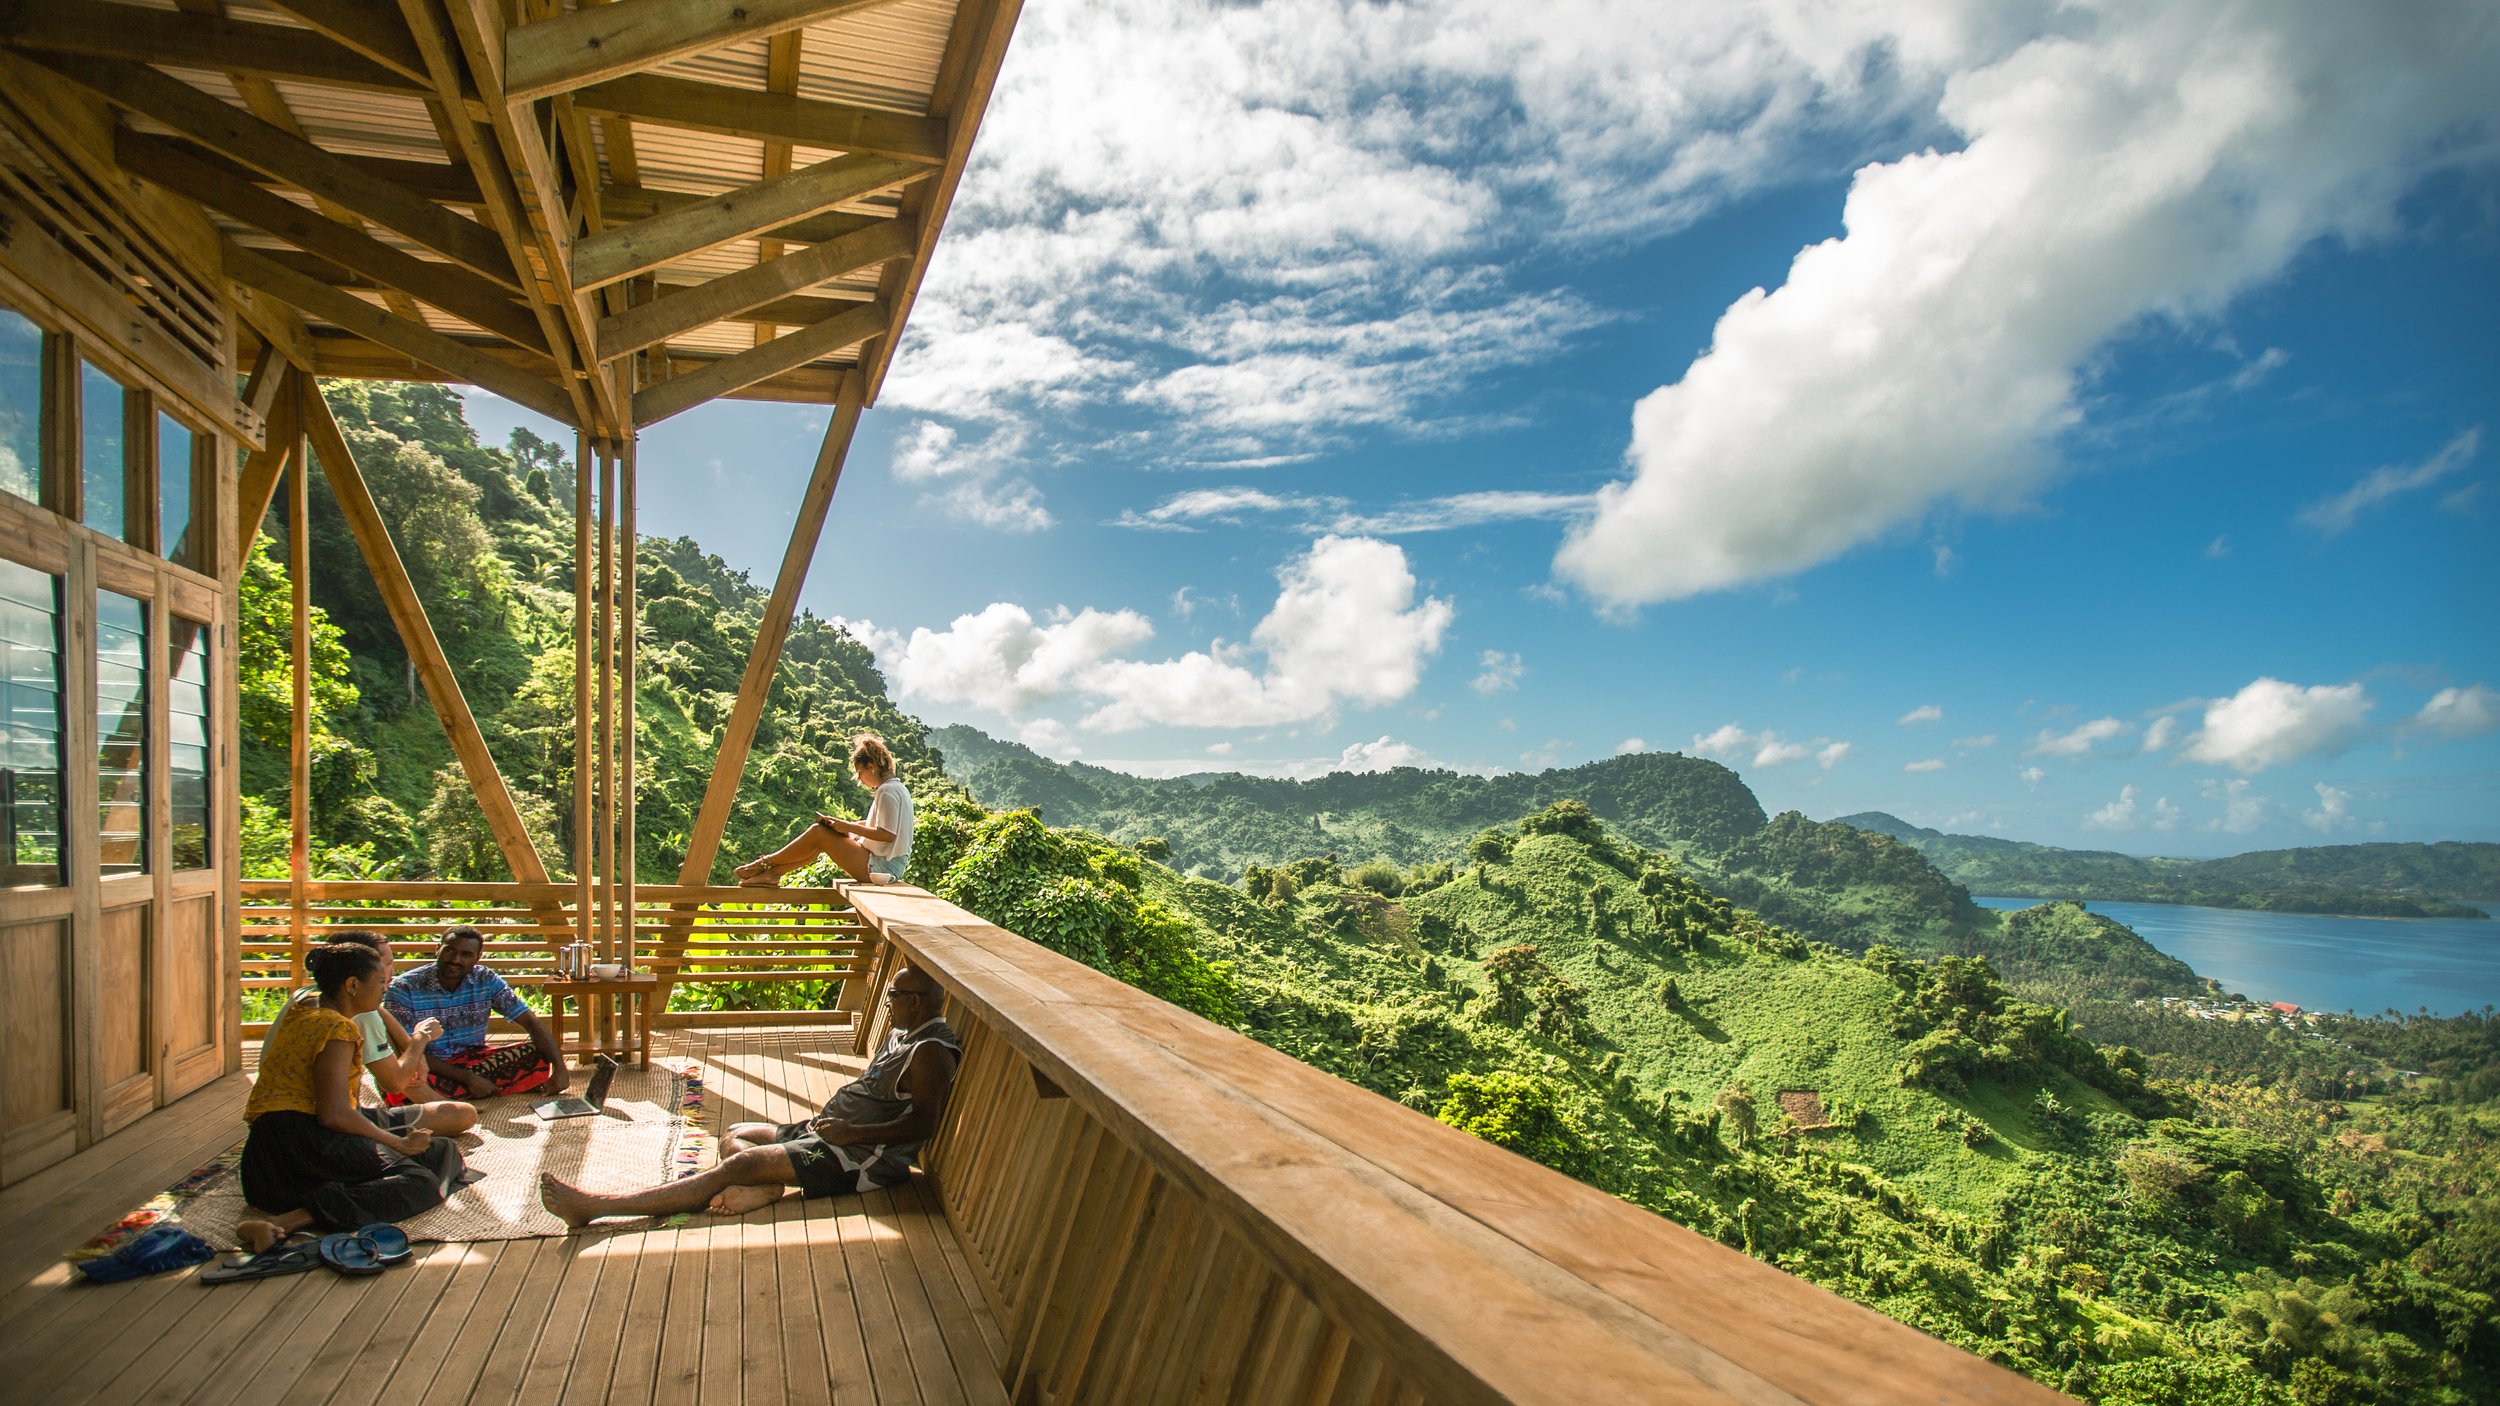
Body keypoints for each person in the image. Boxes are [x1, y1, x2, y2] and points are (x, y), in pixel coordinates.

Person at [539, 965, 959, 1226]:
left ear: (917, 1002)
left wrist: (851, 1134)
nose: (888, 1004)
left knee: (741, 1162)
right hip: (827, 1134)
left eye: (893, 997)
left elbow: (925, 1122)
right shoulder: (907, 1031)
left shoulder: (930, 1053)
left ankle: (595, 1206)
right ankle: (767, 1187)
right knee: (737, 1132)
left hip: (857, 1158)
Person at [233, 942, 469, 1252]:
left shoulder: (304, 1012)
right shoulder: (337, 1030)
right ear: (353, 985)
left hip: (264, 1164)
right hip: (297, 1149)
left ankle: (345, 1190)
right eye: (381, 982)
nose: (385, 989)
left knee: (442, 1150)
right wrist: (396, 1143)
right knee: (422, 1183)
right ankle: (288, 1221)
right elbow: (334, 1115)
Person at [268, 930, 477, 1134]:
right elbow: (394, 1083)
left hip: (276, 1117)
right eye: (385, 965)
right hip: (317, 1125)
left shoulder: (310, 996)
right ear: (358, 975)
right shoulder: (350, 1021)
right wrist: (420, 1040)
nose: (391, 975)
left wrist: (414, 1051)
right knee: (459, 1116)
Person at [383, 928, 569, 1102]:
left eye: (466, 954)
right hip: (429, 1066)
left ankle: (455, 1094)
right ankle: (473, 1089)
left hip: (474, 1060)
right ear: (437, 949)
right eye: (450, 951)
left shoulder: (485, 979)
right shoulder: (404, 987)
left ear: (478, 957)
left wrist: (561, 1069)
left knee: (535, 1054)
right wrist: (468, 1078)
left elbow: (531, 1022)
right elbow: (406, 1050)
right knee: (404, 1085)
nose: (456, 959)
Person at [733, 732, 913, 886]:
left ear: (871, 767)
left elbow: (887, 834)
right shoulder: (897, 788)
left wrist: (848, 828)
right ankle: (773, 874)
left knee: (819, 833)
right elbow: (883, 824)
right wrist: (843, 825)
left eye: (860, 773)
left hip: (882, 868)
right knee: (822, 836)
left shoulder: (887, 791)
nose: (859, 779)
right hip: (888, 865)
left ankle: (764, 864)